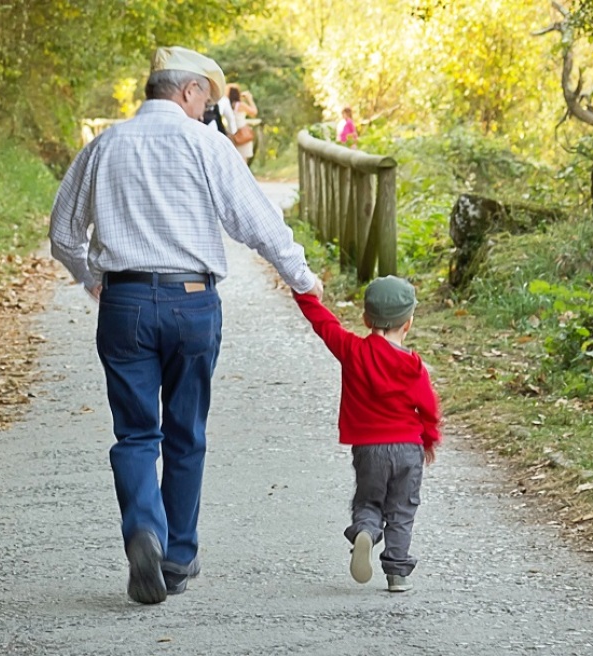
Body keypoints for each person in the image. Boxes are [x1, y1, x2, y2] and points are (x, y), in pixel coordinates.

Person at [49, 45, 324, 605]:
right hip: (193, 302)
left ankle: (144, 531)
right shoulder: (207, 145)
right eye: (207, 97)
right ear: (188, 91)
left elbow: (62, 234)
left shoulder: (104, 145)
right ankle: (177, 556)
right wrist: (302, 278)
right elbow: (258, 224)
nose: (208, 109)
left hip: (124, 302)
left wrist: (91, 277)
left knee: (134, 434)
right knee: (185, 431)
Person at [293, 275, 440, 593]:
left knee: (369, 501)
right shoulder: (413, 365)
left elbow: (323, 323)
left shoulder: (351, 350)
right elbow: (428, 407)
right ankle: (397, 574)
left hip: (369, 448)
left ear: (365, 318)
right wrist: (428, 440)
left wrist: (303, 290)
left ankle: (365, 531)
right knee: (402, 508)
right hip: (407, 448)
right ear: (408, 323)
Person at [228, 85, 259, 166]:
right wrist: (249, 99)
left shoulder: (228, 105)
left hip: (232, 135)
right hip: (242, 134)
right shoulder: (240, 105)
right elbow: (254, 112)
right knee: (243, 161)